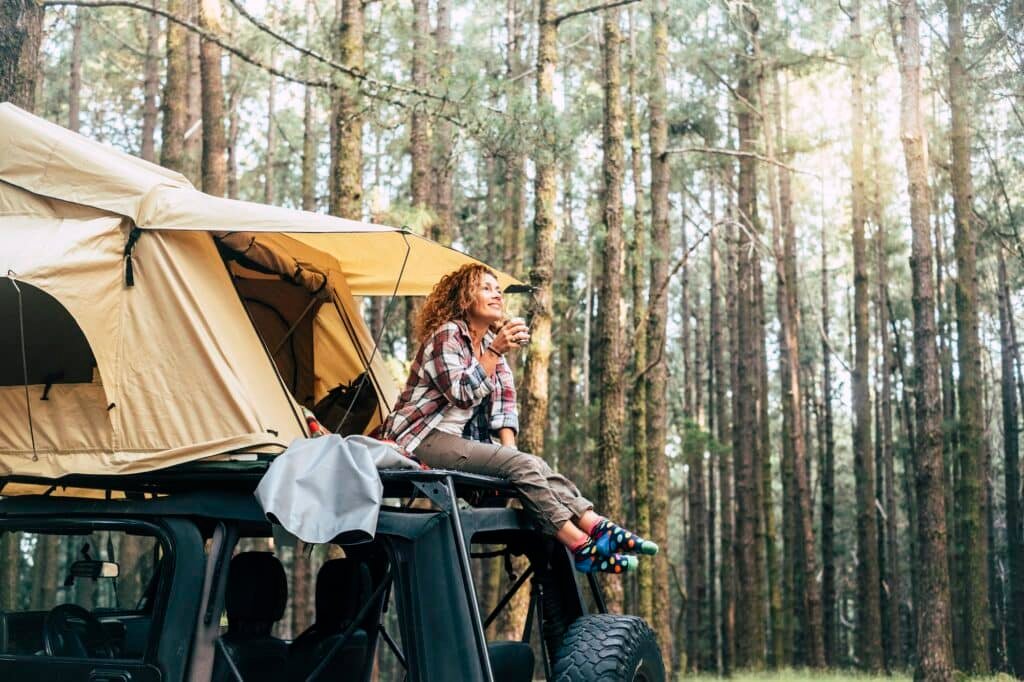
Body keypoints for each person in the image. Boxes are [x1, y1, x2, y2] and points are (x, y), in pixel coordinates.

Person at [381, 263, 657, 574]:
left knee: (532, 464)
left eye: (498, 289)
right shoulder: (448, 335)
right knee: (523, 465)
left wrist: (511, 458)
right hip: (420, 439)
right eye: (486, 288)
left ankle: (598, 527)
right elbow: (459, 393)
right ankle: (580, 546)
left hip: (456, 441)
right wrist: (496, 353)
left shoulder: (489, 343)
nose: (497, 293)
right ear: (464, 299)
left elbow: (504, 405)